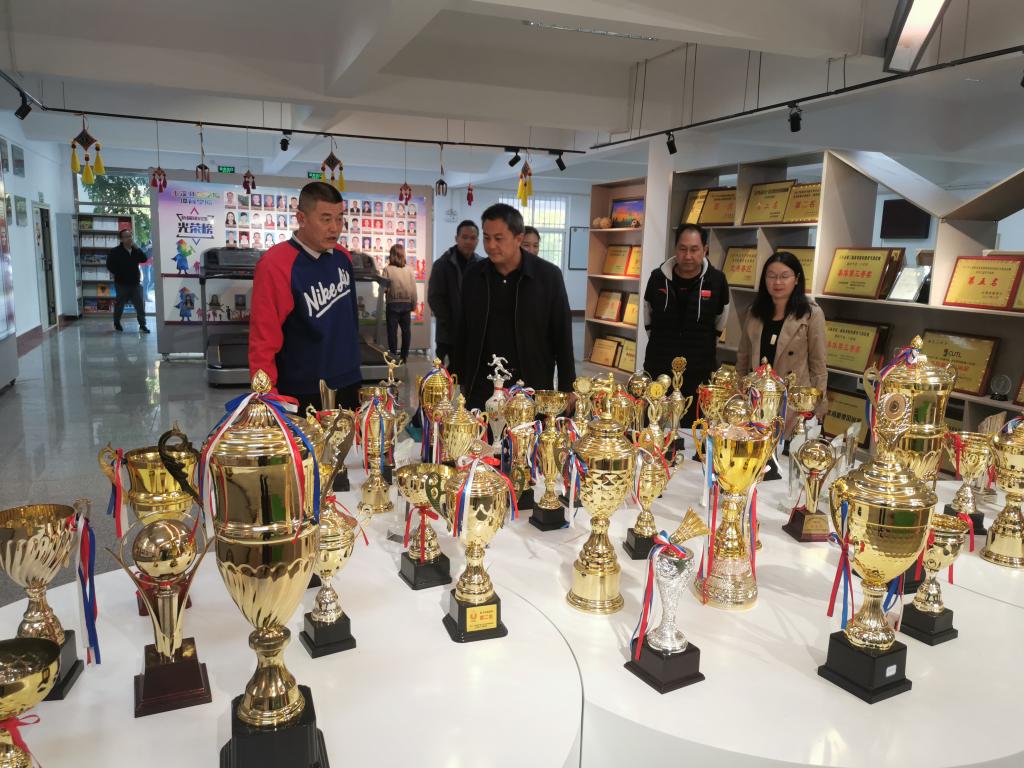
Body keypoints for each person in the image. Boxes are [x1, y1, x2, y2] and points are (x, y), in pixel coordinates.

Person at [249, 181, 361, 411]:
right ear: (301, 218)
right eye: (326, 219)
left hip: (348, 379)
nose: (335, 228)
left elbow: (351, 319)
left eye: (340, 218)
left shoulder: (343, 257)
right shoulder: (275, 264)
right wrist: (267, 396)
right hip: (301, 388)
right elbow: (263, 338)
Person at [456, 204, 575, 411]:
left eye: (499, 238)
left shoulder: (548, 276)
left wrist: (568, 387)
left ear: (518, 238)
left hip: (531, 384)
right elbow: (463, 331)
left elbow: (562, 334)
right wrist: (461, 379)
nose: (491, 245)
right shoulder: (474, 276)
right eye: (486, 238)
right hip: (483, 384)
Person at [642, 224, 729, 427]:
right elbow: (648, 320)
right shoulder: (657, 278)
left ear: (705, 249)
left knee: (694, 428)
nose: (688, 255)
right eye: (683, 249)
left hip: (698, 368)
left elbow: (720, 322)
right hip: (659, 365)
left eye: (694, 249)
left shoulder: (717, 281)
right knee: (655, 424)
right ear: (675, 249)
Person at [736, 251, 828, 432]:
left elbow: (818, 364)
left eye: (784, 276)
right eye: (771, 276)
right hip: (756, 399)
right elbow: (743, 358)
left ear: (796, 279)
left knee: (786, 447)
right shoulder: (754, 312)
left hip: (793, 404)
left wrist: (819, 406)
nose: (777, 282)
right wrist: (739, 395)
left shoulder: (811, 314)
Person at [428, 220, 483, 366]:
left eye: (472, 238)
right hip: (447, 333)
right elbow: (434, 298)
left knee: (469, 371)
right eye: (464, 237)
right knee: (446, 374)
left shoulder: (482, 265)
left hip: (472, 333)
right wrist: (451, 322)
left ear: (477, 241)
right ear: (456, 238)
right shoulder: (442, 264)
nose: (468, 241)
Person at [106, 228, 150, 333]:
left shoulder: (135, 250)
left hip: (135, 283)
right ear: (121, 239)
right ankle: (117, 323)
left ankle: (142, 325)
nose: (129, 238)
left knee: (140, 305)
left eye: (130, 236)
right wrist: (119, 273)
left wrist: (138, 248)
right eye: (126, 237)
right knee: (119, 305)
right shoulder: (115, 251)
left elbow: (144, 259)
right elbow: (109, 265)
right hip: (121, 284)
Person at [382, 244, 416, 363]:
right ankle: (404, 356)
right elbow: (413, 289)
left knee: (392, 332)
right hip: (406, 304)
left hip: (392, 304)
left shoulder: (387, 269)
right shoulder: (409, 269)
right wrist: (414, 304)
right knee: (406, 332)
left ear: (391, 255)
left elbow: (384, 288)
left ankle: (393, 356)